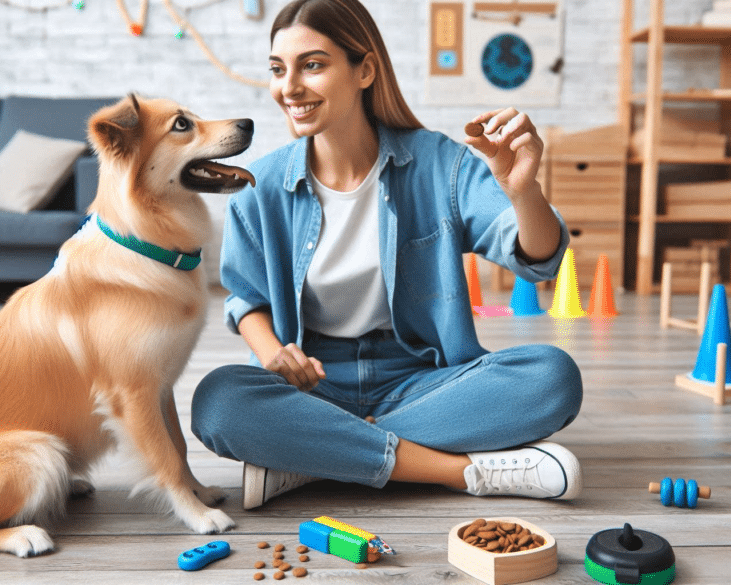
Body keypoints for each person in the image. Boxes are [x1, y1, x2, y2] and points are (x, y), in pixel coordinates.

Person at [191, 0, 583, 510]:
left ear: (365, 70)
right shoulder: (260, 186)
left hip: (420, 378)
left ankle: (315, 456)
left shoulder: (441, 164)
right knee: (218, 403)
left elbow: (539, 258)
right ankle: (457, 472)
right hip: (313, 383)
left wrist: (523, 191)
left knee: (553, 378)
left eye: (312, 65)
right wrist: (274, 356)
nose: (288, 88)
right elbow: (247, 300)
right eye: (277, 69)